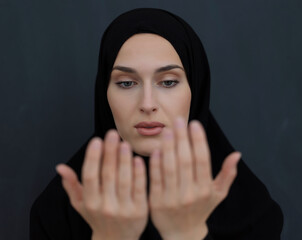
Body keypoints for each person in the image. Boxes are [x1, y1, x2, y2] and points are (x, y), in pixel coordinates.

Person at [30, 8, 283, 240]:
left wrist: (187, 235)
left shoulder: (250, 210)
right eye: (126, 83)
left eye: (168, 82)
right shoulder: (58, 211)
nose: (147, 104)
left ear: (196, 89)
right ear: (103, 94)